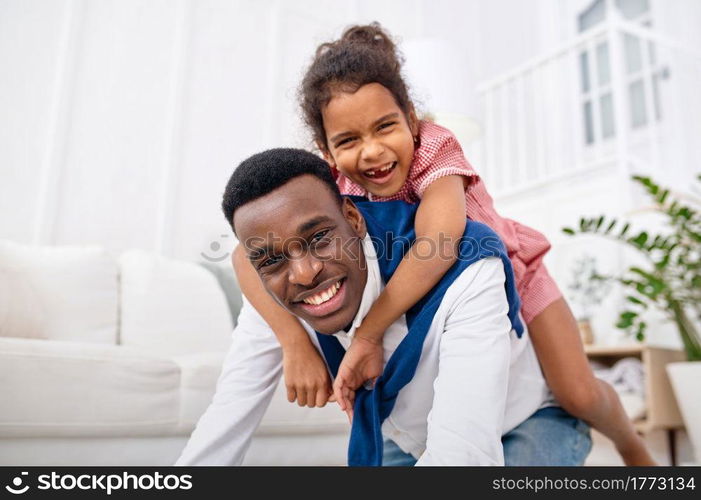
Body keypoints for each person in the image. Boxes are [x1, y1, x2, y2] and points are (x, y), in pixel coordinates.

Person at [232, 23, 654, 465]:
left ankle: (631, 444)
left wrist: (369, 334)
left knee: (577, 392)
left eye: (385, 127)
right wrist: (294, 344)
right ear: (327, 149)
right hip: (438, 294)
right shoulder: (328, 184)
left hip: (511, 269)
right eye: (349, 141)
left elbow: (440, 243)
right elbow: (246, 255)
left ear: (412, 120)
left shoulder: (435, 148)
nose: (373, 151)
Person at [177, 148, 591, 466]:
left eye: (320, 237)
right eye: (271, 259)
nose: (303, 273)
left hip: (526, 420)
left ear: (353, 218)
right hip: (410, 439)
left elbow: (462, 455)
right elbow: (222, 427)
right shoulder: (275, 296)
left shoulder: (467, 266)